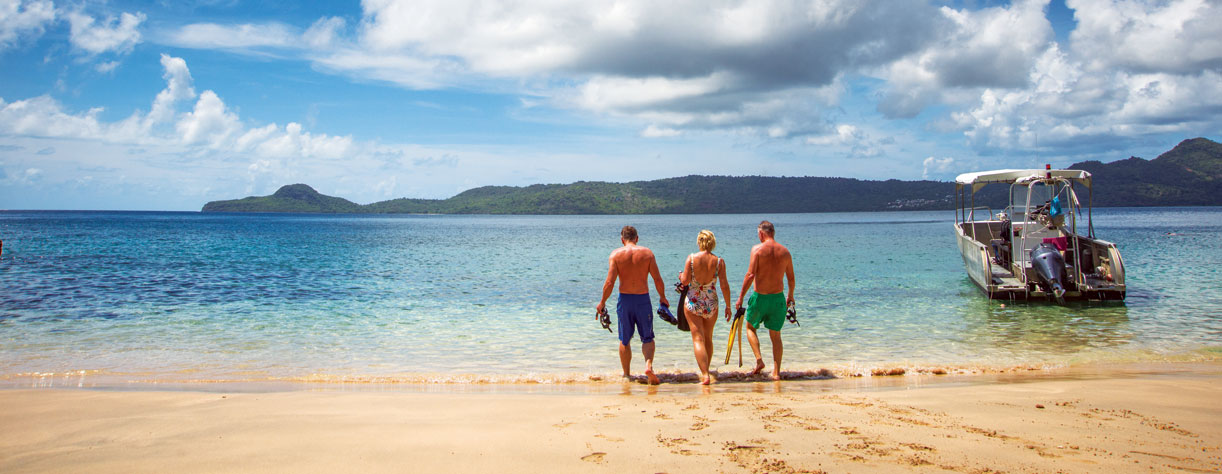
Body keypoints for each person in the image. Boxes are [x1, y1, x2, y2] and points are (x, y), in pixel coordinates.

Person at [596, 225, 669, 384]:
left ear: (622, 239)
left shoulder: (615, 255)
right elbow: (657, 279)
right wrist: (663, 297)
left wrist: (602, 302)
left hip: (625, 301)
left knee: (624, 339)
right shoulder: (647, 253)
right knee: (647, 337)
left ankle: (627, 375)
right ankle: (648, 365)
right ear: (637, 238)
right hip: (643, 299)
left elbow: (609, 282)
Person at [733, 220, 795, 381]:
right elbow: (791, 279)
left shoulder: (757, 250)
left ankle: (759, 360)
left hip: (760, 297)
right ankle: (776, 372)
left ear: (761, 233)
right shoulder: (785, 252)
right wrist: (790, 296)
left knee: (750, 328)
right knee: (776, 335)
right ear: (773, 233)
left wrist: (740, 297)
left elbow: (750, 275)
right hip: (778, 298)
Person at [677, 230, 731, 385]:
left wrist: (681, 276)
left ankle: (705, 374)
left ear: (699, 242)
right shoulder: (719, 261)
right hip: (711, 303)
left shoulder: (692, 259)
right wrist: (728, 305)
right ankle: (707, 369)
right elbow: (724, 286)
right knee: (708, 337)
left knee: (697, 338)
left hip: (694, 302)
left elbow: (685, 281)